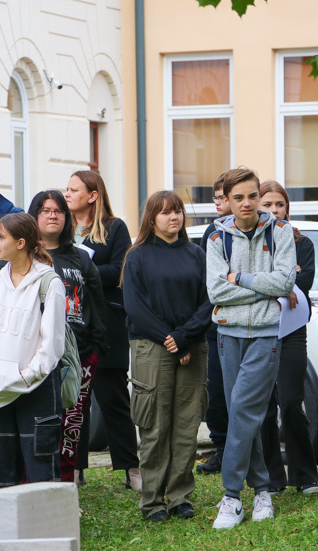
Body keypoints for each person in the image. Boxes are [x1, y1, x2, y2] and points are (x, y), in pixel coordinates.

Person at [206, 168, 296, 530]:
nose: (247, 203)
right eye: (238, 197)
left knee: (242, 409)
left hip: (265, 333)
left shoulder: (280, 231)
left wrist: (240, 278)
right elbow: (216, 291)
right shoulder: (217, 238)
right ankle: (261, 489)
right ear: (226, 199)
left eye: (252, 195)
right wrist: (265, 286)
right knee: (246, 414)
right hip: (227, 333)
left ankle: (231, 496)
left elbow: (285, 280)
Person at [121, 190, 212, 522]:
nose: (173, 217)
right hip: (151, 347)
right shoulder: (138, 256)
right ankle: (153, 501)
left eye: (177, 211)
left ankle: (179, 497)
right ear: (151, 218)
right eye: (165, 212)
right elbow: (135, 307)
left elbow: (208, 300)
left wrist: (184, 338)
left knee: (187, 426)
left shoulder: (196, 254)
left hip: (191, 347)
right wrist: (170, 339)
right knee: (155, 426)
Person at [0, 212, 67, 487]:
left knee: (41, 473)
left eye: (1, 237)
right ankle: (6, 531)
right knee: (2, 474)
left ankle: (45, 530)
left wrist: (26, 376)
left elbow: (52, 345)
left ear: (21, 242)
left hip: (36, 391)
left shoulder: (49, 283)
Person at [66, 170, 141, 490]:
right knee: (74, 402)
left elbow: (119, 271)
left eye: (74, 189)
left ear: (93, 195)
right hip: (71, 325)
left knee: (113, 400)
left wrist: (81, 267)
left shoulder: (114, 228)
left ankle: (130, 468)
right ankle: (75, 468)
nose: (66, 194)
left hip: (107, 325)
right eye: (66, 189)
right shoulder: (63, 228)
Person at [27, 190, 107, 483]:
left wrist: (96, 347)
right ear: (34, 215)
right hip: (36, 355)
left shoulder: (80, 258)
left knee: (72, 421)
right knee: (42, 420)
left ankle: (68, 479)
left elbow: (96, 304)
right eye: (45, 210)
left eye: (58, 210)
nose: (52, 215)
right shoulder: (26, 256)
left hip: (80, 355)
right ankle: (40, 478)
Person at [257, 181, 318, 495]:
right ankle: (273, 478)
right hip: (259, 330)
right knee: (265, 404)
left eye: (279, 205)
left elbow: (304, 282)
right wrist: (284, 280)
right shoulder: (252, 242)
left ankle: (305, 475)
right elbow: (250, 282)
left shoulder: (303, 243)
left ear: (287, 208)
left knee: (292, 402)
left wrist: (279, 280)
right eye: (267, 204)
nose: (273, 210)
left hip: (293, 329)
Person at [197, 172, 231, 475]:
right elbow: (213, 280)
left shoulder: (263, 227)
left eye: (222, 196)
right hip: (217, 324)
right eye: (216, 197)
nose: (218, 202)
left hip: (250, 322)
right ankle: (221, 448)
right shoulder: (214, 231)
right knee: (217, 392)